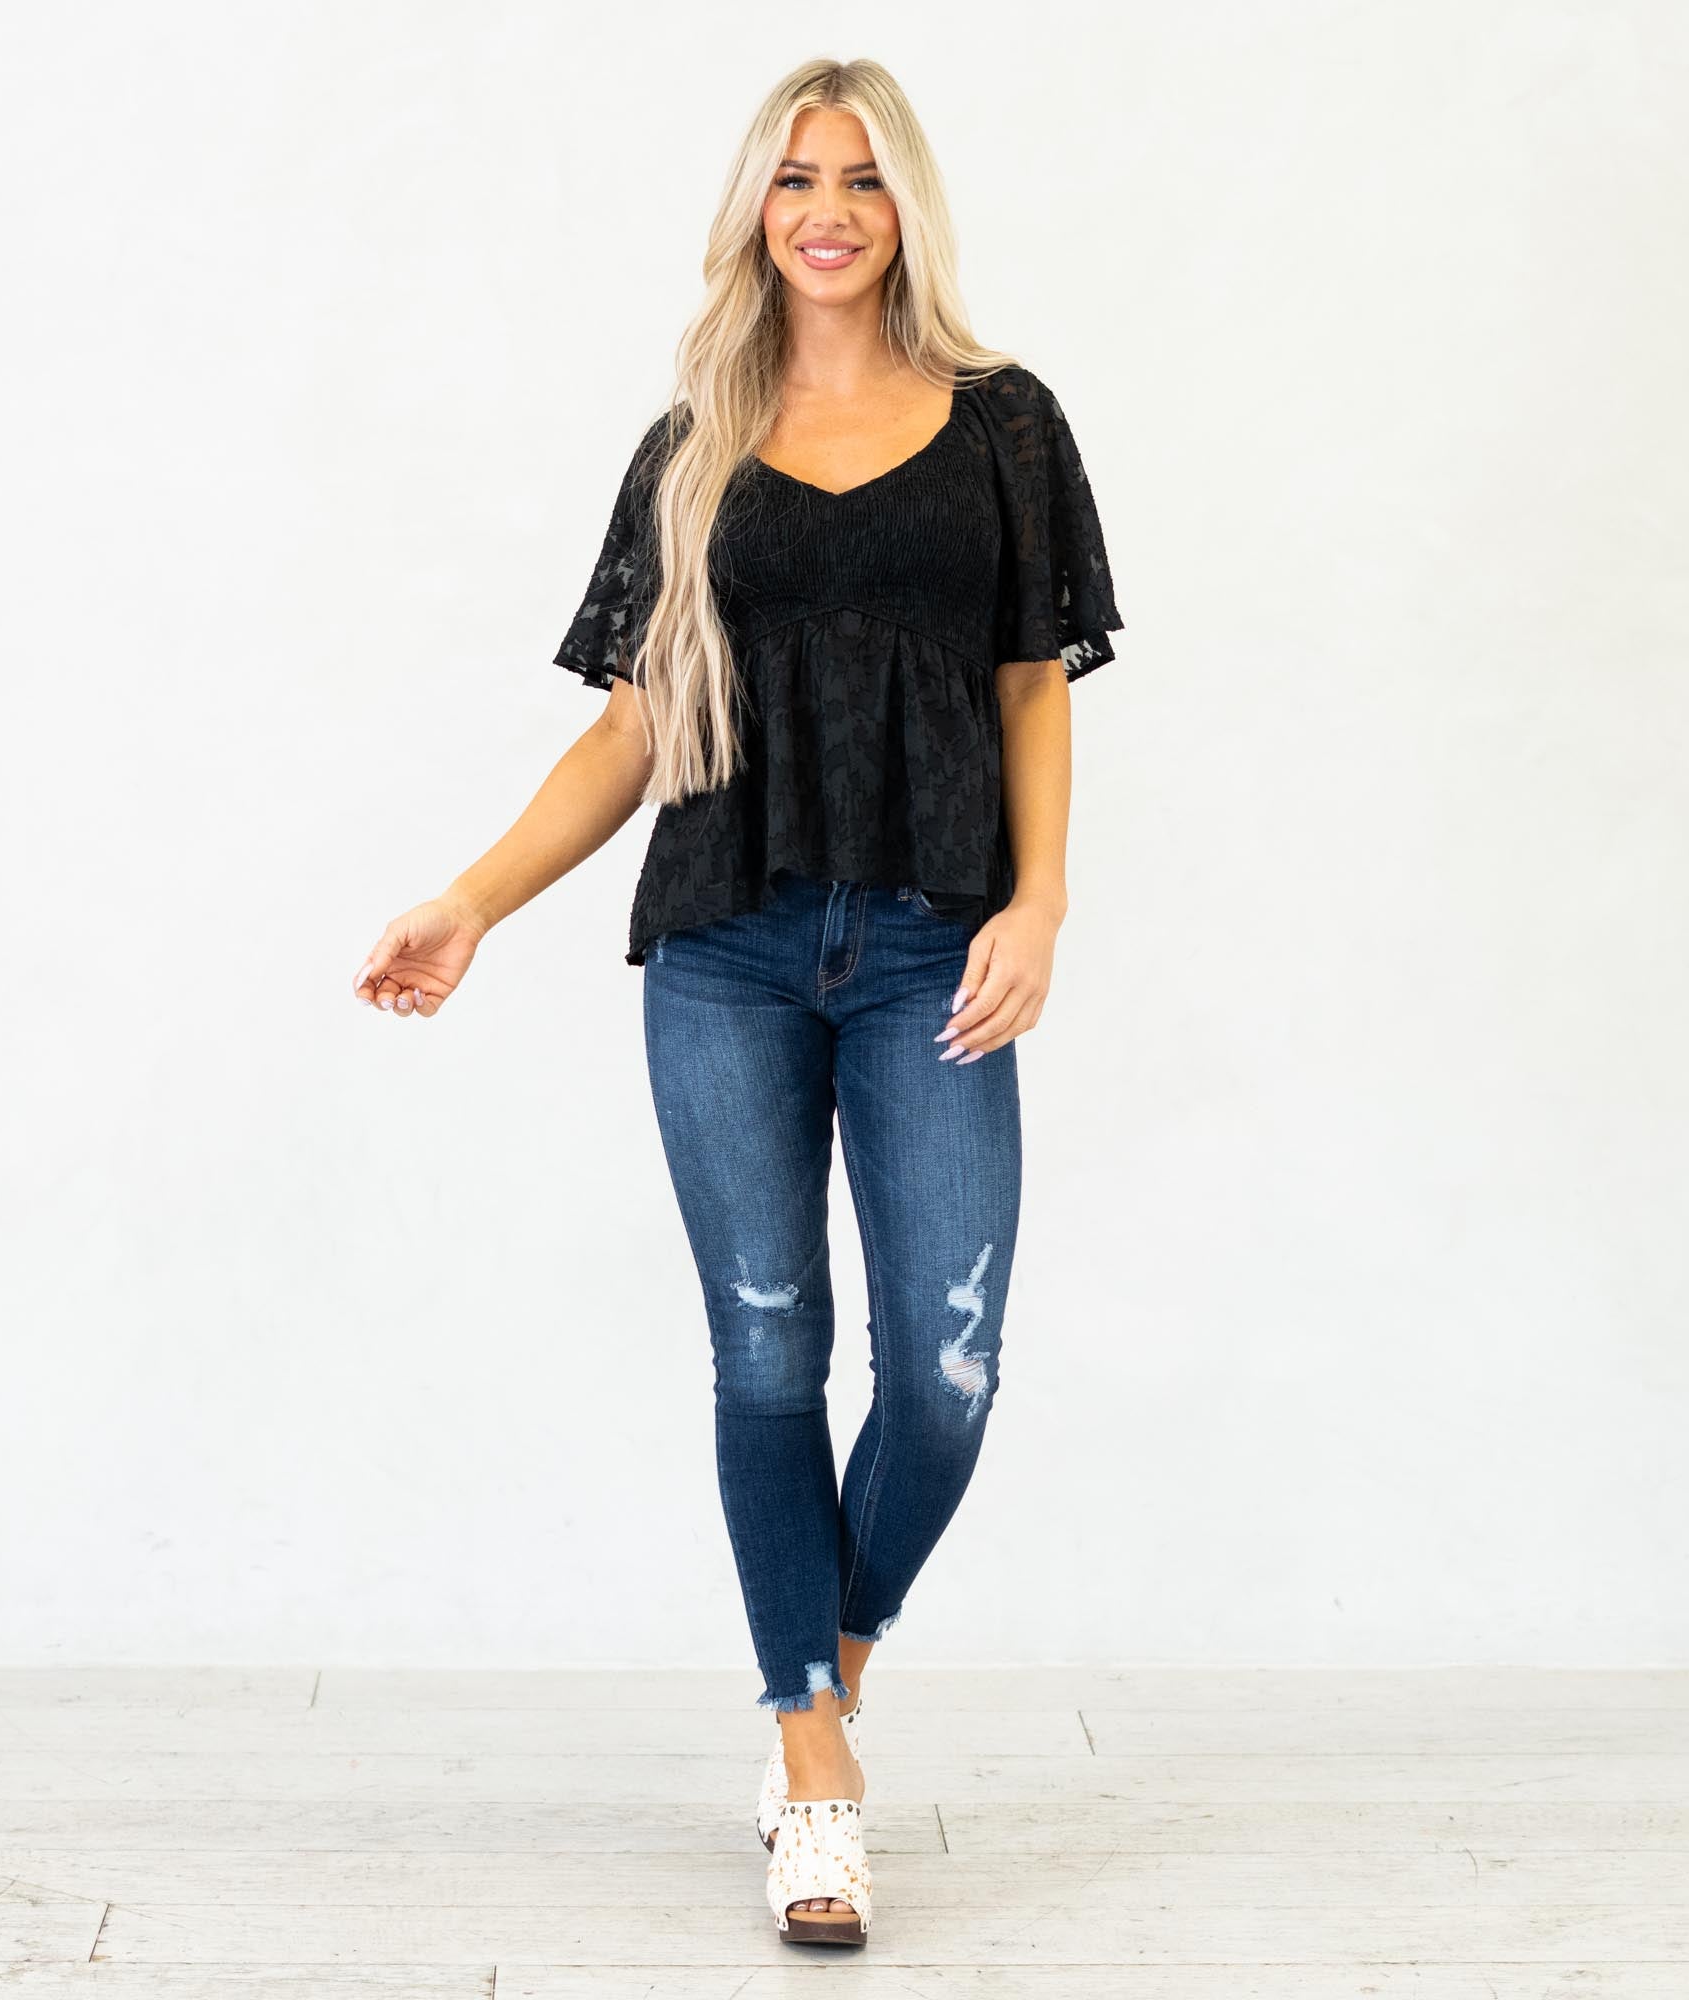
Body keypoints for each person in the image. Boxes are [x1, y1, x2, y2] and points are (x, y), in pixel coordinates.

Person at [350, 54, 1123, 1949]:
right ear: (753, 212)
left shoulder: (1008, 425)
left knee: (946, 1375)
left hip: (936, 944)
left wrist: (1040, 900)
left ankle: (819, 1673)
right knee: (769, 1360)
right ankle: (812, 1771)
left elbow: (1033, 683)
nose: (828, 211)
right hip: (729, 947)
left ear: (905, 204)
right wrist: (472, 901)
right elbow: (633, 731)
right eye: (794, 179)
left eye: (859, 178)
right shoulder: (693, 442)